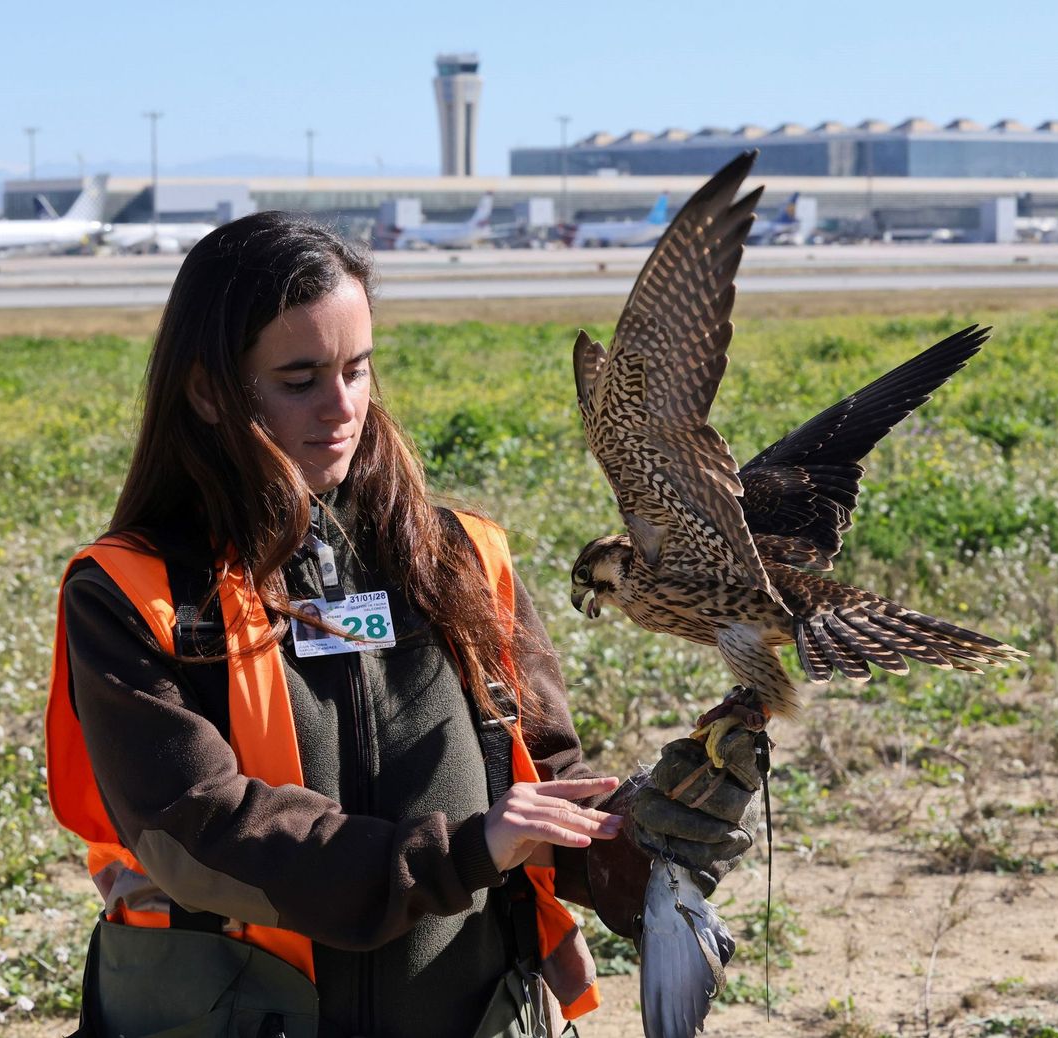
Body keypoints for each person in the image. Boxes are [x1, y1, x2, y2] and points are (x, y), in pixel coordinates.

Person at [45, 212, 762, 1038]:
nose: (340, 407)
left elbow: (538, 782)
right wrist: (460, 854)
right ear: (208, 391)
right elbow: (196, 829)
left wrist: (633, 839)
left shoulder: (458, 555)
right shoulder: (130, 594)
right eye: (299, 378)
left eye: (358, 369)